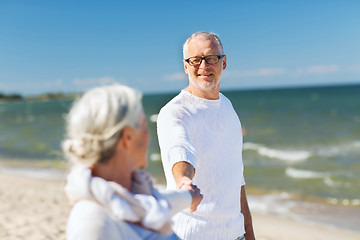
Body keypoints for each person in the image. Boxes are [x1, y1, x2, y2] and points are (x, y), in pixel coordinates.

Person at [62, 85, 203, 240]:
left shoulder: (136, 196)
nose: (148, 137)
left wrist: (189, 195)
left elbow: (160, 203)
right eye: (144, 126)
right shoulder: (92, 223)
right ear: (127, 137)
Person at [157, 32, 256, 240]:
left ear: (224, 62)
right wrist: (184, 181)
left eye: (211, 58)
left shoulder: (227, 107)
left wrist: (249, 234)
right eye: (195, 60)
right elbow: (180, 149)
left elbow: (237, 179)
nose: (203, 66)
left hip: (235, 235)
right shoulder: (174, 112)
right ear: (186, 66)